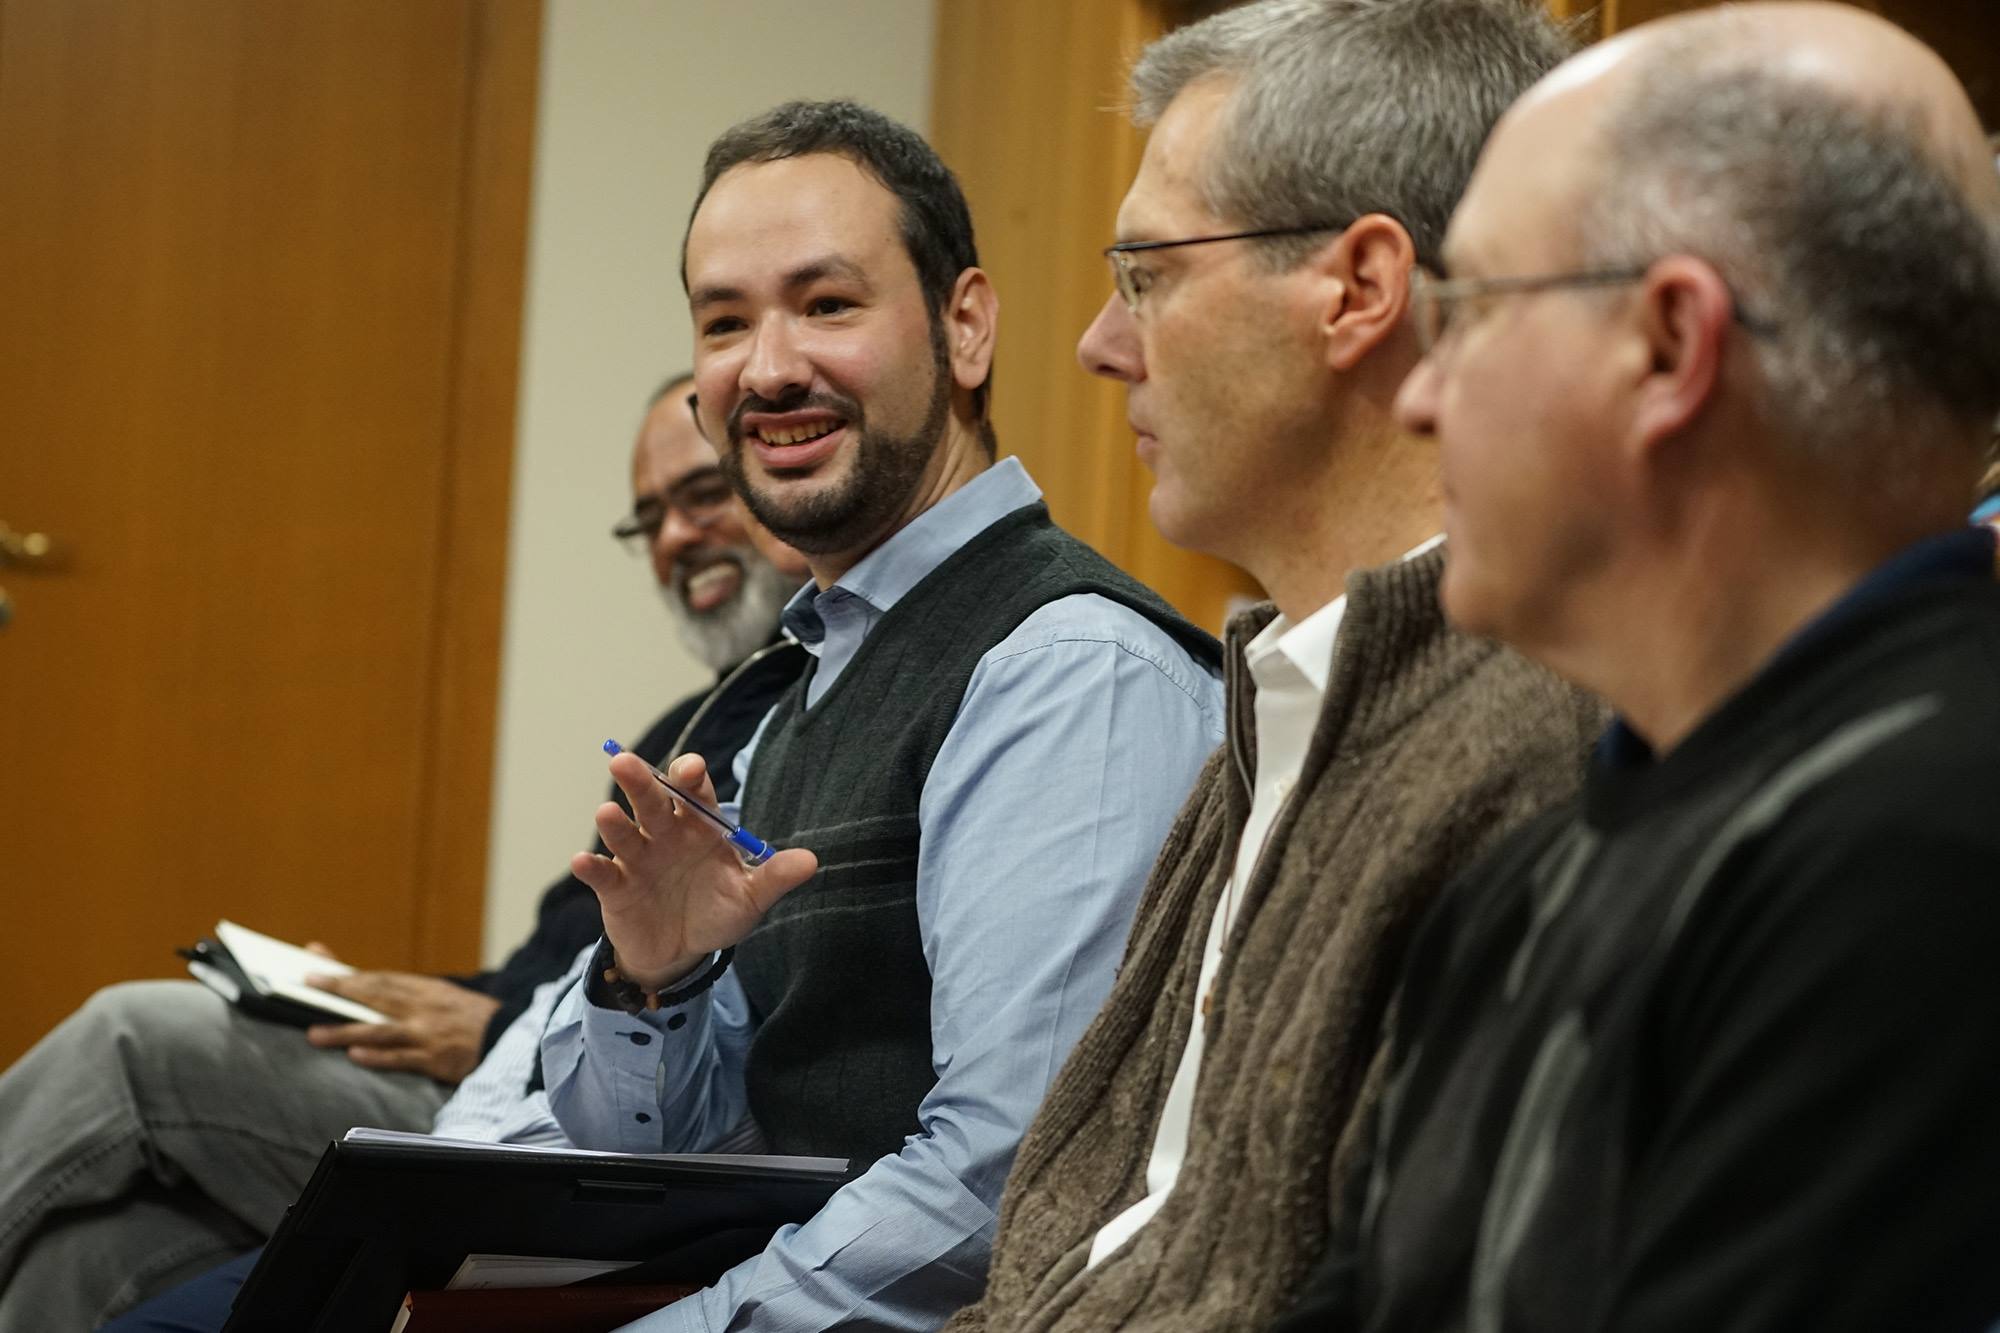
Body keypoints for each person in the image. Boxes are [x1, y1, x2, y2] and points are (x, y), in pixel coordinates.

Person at [1274, 5, 2000, 1330]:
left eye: (1468, 307)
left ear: (1668, 347)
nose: (1421, 397)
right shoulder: (1529, 882)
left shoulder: (1923, 851)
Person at [946, 3, 1604, 1329]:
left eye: (1147, 275)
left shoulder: (1540, 749)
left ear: (1357, 289)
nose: (1097, 343)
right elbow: (1085, 1265)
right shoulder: (1277, 706)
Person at [539, 100, 1226, 1332]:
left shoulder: (1068, 671)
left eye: (826, 304)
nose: (767, 368)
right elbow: (652, 1156)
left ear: (965, 328)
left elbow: (1005, 1192)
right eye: (724, 322)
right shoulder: (796, 695)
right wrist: (654, 980)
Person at [0, 372, 808, 1331]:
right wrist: (380, 991)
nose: (676, 537)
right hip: (501, 1070)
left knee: (131, 1037)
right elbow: (551, 963)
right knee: (96, 1243)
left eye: (702, 494)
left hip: (557, 1120)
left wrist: (489, 1018)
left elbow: (699, 989)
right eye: (649, 519)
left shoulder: (804, 719)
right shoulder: (692, 719)